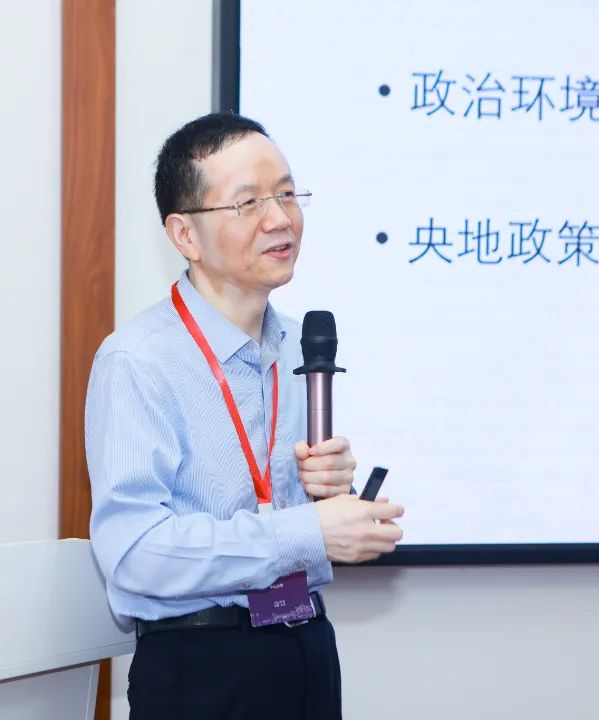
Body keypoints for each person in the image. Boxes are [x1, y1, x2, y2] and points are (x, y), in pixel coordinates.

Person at [85, 112, 404, 719]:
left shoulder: (297, 346)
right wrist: (309, 531)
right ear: (184, 234)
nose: (280, 218)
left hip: (306, 647)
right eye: (248, 202)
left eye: (287, 194)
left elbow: (271, 515)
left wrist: (326, 497)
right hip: (202, 670)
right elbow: (135, 556)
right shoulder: (138, 361)